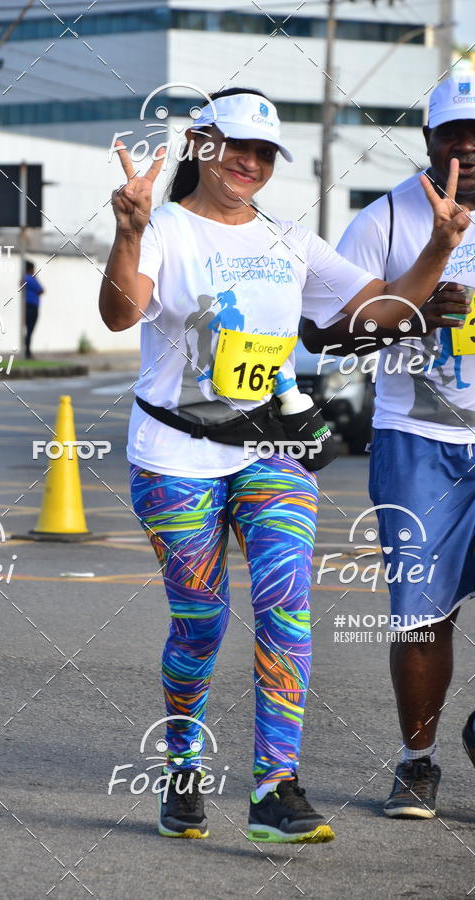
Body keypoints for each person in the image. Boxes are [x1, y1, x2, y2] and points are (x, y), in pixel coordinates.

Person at [99, 86, 469, 843]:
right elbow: (119, 312)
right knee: (200, 626)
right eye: (237, 146)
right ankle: (182, 765)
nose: (250, 162)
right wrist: (129, 233)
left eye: (265, 152)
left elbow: (381, 312)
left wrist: (437, 247)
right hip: (175, 455)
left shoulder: (291, 240)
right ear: (201, 146)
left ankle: (275, 787)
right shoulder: (165, 228)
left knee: (287, 610)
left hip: (271, 451)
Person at [301, 73, 475, 820]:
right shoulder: (386, 218)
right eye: (454, 133)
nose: (468, 146)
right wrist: (414, 314)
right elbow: (319, 334)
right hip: (419, 441)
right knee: (421, 613)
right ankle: (418, 761)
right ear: (429, 139)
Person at [23, 260, 44, 358]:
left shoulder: (24, 278)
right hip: (33, 306)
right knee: (30, 329)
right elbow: (41, 290)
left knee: (28, 329)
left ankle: (26, 349)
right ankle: (27, 351)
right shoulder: (31, 279)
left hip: (26, 305)